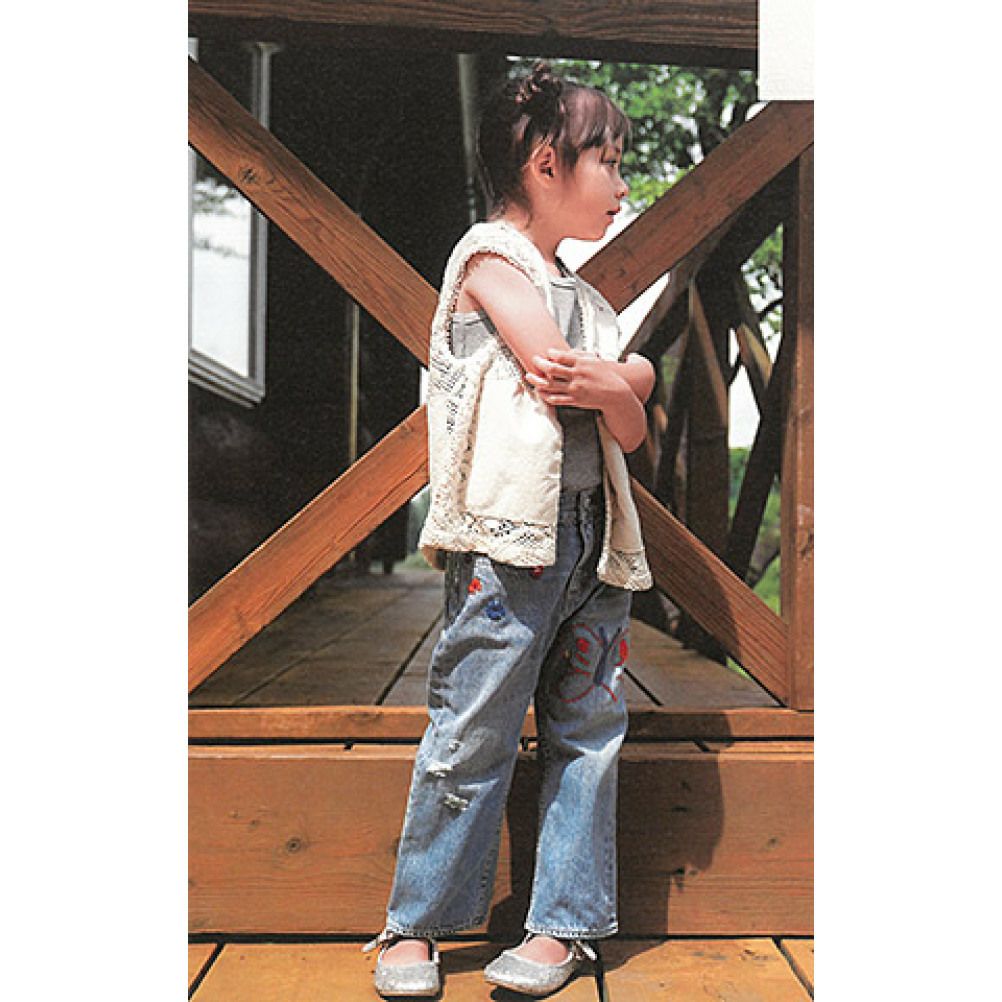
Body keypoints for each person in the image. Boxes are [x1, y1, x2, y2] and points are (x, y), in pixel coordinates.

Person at [362, 59, 655, 998]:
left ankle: (563, 925)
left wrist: (626, 385)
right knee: (474, 728)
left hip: (595, 543)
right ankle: (416, 922)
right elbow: (560, 372)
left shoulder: (584, 293)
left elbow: (630, 420)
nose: (621, 184)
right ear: (544, 164)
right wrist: (625, 380)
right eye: (609, 162)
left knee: (588, 728)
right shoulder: (488, 259)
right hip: (510, 543)